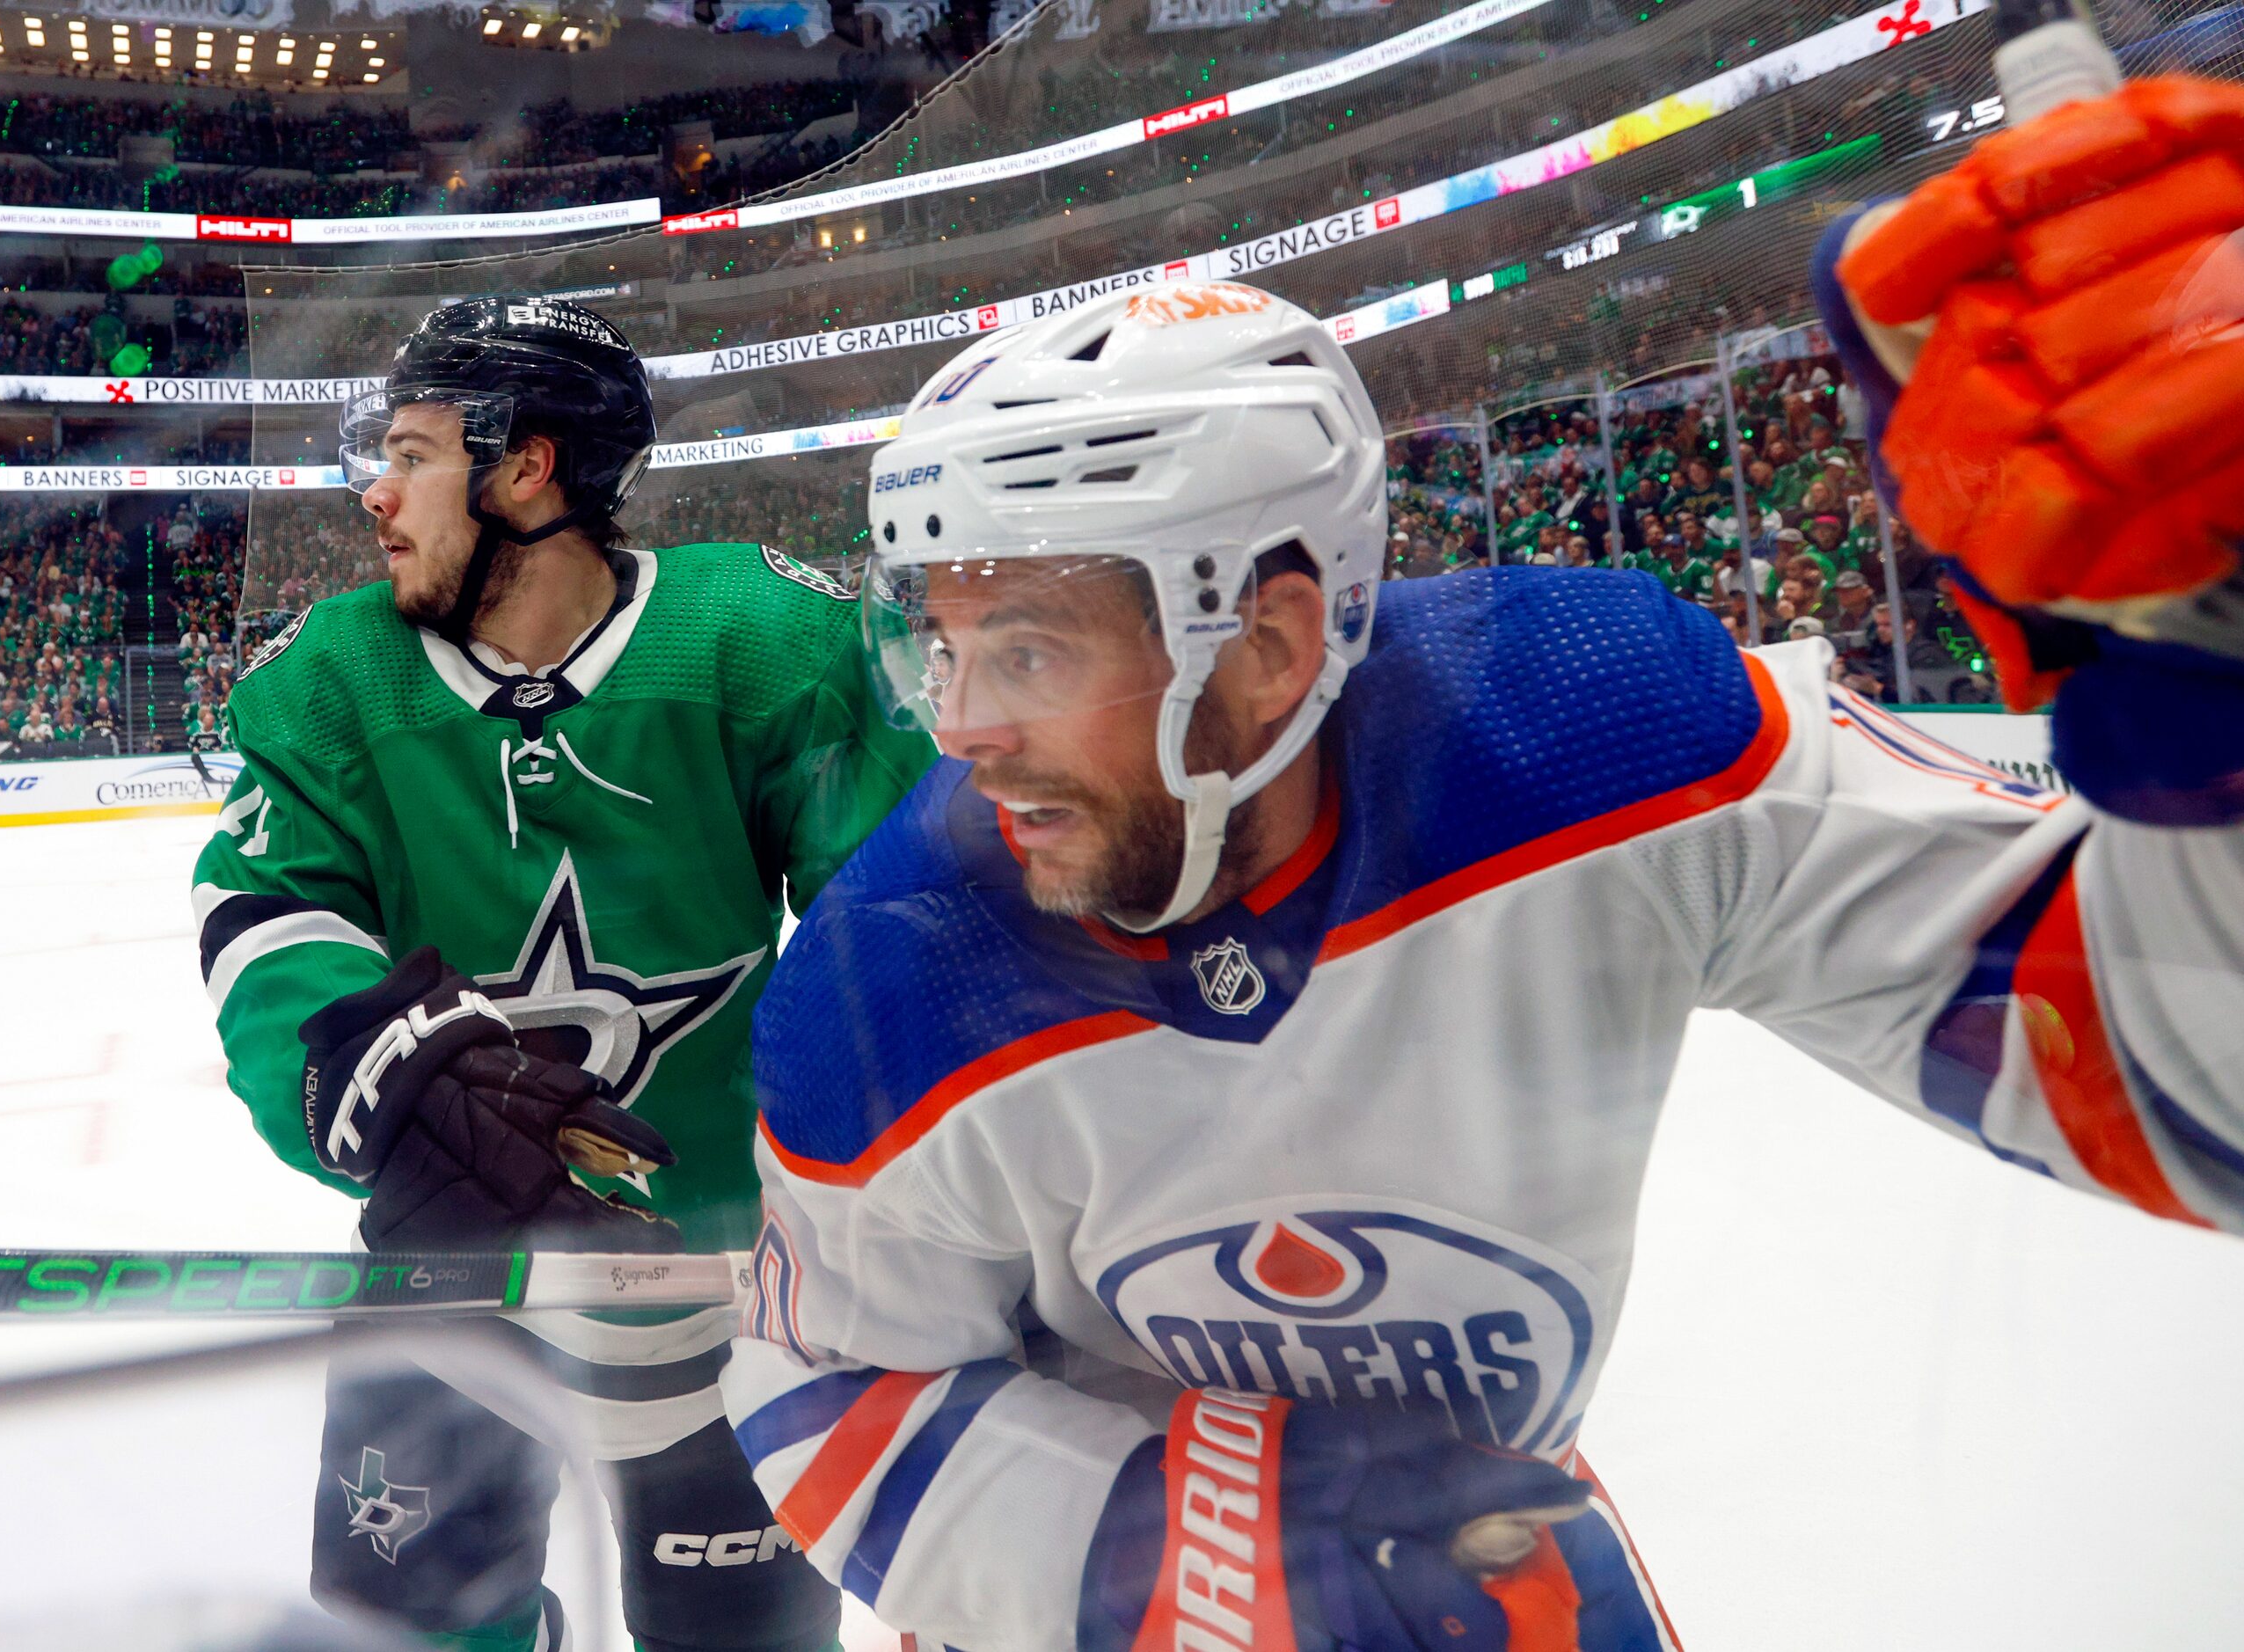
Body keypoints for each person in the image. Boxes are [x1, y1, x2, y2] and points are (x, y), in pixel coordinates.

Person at [720, 273, 2244, 1648]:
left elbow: (2190, 1078)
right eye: (945, 644)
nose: (964, 724)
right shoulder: (892, 977)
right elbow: (830, 1385)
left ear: (1268, 646)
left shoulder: (1596, 732)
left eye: (1034, 650)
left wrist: (2219, 750)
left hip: (1488, 1564)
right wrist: (1208, 1555)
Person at [191, 296, 931, 1652]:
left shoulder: (756, 644)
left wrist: (880, 1207)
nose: (377, 492)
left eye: (411, 454)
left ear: (525, 469)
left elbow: (893, 935)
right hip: (444, 1289)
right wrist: (380, 1076)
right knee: (397, 1639)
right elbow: (266, 916)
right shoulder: (338, 681)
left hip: (727, 1293)